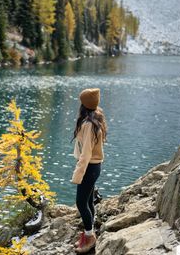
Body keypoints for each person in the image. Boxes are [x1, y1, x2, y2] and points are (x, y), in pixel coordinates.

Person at [71, 88, 107, 254]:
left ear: (84, 105)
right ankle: (89, 232)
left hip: (88, 167)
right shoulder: (97, 118)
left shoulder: (87, 125)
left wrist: (77, 175)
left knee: (81, 202)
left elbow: (85, 154)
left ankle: (90, 237)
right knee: (89, 201)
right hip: (95, 167)